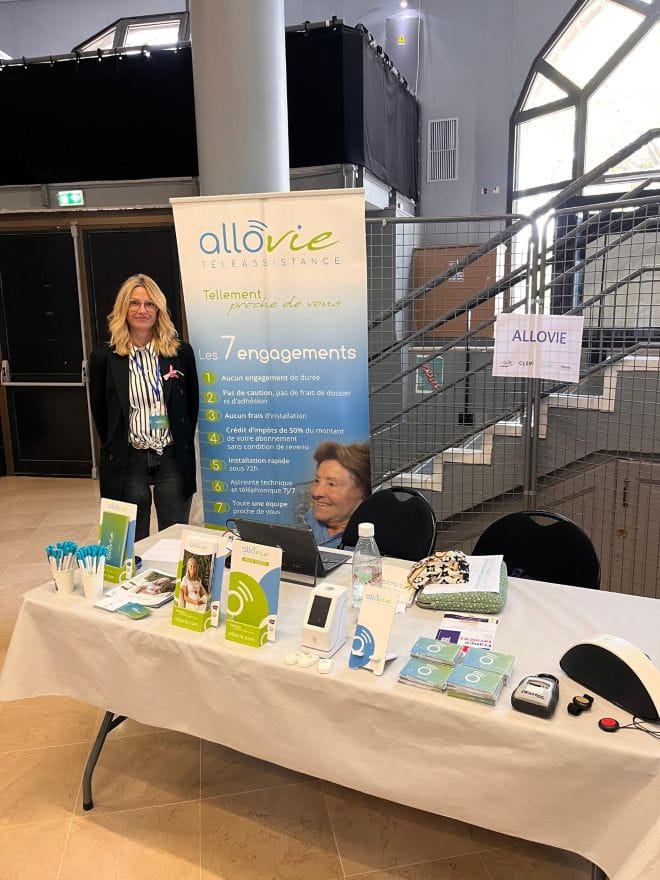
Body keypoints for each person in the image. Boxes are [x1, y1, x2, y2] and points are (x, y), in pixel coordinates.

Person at [89, 273, 199, 541]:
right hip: (129, 459)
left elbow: (191, 405)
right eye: (134, 303)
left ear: (159, 309)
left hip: (171, 457)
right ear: (123, 308)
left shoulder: (179, 351)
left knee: (173, 538)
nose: (142, 310)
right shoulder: (105, 356)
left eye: (150, 304)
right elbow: (101, 412)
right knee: (133, 542)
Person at [305, 441, 371, 548]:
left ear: (363, 490)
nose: (315, 492)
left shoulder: (370, 546)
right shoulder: (304, 524)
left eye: (331, 484)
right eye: (317, 480)